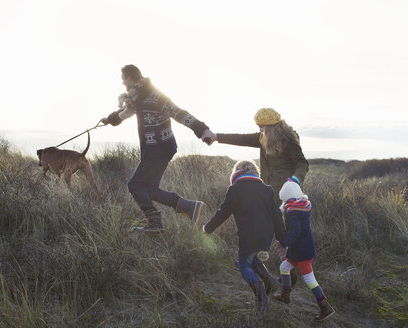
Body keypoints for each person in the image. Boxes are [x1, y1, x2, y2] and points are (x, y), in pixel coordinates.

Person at [100, 65, 215, 234]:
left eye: (123, 78)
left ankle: (154, 222)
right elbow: (125, 112)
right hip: (154, 148)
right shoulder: (137, 96)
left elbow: (178, 113)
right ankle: (191, 207)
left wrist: (202, 129)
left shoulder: (155, 95)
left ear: (130, 79)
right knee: (150, 189)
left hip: (159, 148)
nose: (122, 82)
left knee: (135, 185)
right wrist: (109, 119)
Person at [202, 160, 285, 312]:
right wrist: (281, 238)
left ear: (236, 173)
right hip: (266, 236)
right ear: (255, 173)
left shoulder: (236, 189)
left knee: (243, 264)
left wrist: (207, 228)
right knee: (253, 259)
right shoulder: (266, 189)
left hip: (248, 235)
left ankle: (261, 295)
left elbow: (223, 212)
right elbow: (277, 215)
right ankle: (271, 283)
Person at [207, 107, 309, 205]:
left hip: (287, 191)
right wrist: (216, 137)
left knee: (287, 221)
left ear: (271, 126)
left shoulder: (288, 140)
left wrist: (295, 180)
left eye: (262, 126)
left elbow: (302, 162)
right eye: (258, 125)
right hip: (268, 190)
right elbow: (241, 139)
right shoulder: (262, 138)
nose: (260, 129)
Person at [272, 178, 335, 321]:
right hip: (300, 250)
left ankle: (325, 307)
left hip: (302, 252)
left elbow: (295, 231)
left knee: (310, 280)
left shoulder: (293, 211)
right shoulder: (302, 206)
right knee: (284, 267)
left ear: (286, 197)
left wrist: (283, 243)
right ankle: (285, 295)